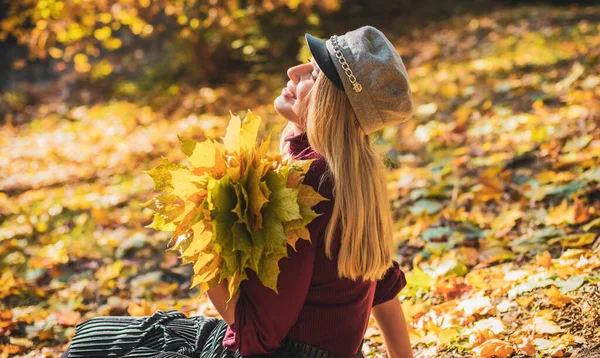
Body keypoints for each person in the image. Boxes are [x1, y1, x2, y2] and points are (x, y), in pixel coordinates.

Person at [60, 25, 415, 358]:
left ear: (332, 104)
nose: (293, 72)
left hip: (273, 350)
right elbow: (382, 281)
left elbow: (257, 337)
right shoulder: (356, 174)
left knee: (88, 343)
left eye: (312, 74)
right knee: (95, 332)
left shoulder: (306, 185)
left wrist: (199, 244)